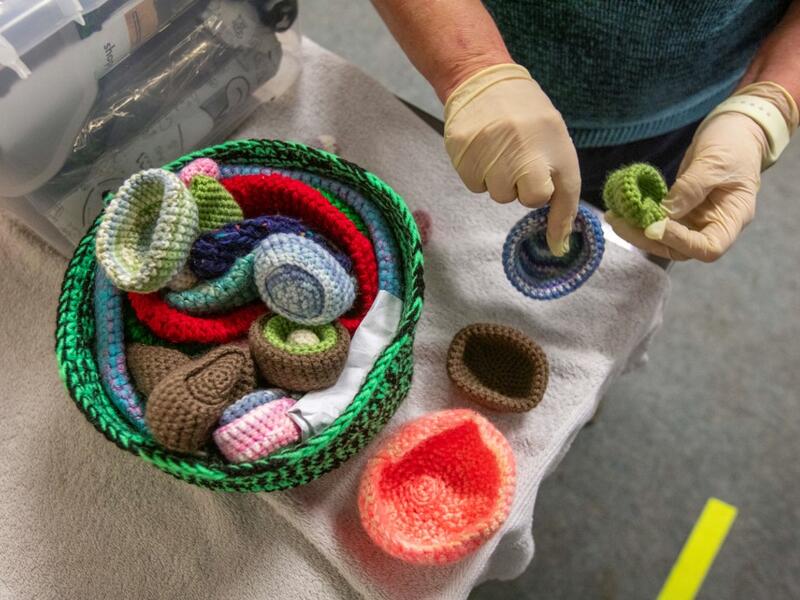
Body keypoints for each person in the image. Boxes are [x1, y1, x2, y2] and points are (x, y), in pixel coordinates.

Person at [372, 0, 800, 261]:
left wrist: (765, 108)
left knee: (620, 256)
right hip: (482, 42)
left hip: (685, 112)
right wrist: (471, 66)